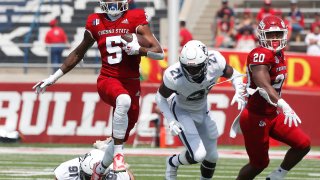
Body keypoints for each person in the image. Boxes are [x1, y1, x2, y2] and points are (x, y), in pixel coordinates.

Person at [33, 0, 164, 179]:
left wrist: (138, 49)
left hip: (132, 83)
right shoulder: (95, 21)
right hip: (108, 79)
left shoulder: (135, 17)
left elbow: (159, 52)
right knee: (123, 101)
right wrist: (52, 78)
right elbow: (78, 52)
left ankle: (98, 171)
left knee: (120, 136)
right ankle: (119, 157)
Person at [155, 40, 246, 180]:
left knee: (212, 156)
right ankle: (172, 162)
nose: (192, 71)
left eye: (196, 68)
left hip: (202, 109)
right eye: (188, 68)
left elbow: (234, 74)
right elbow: (160, 97)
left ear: (206, 61)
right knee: (198, 155)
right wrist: (171, 120)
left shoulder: (215, 61)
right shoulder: (173, 75)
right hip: (181, 110)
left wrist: (239, 90)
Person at [235, 15, 311, 180]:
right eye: (270, 35)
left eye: (277, 34)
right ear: (262, 35)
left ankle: (277, 175)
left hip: (272, 114)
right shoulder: (260, 54)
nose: (275, 38)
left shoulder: (280, 53)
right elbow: (263, 83)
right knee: (259, 164)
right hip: (256, 117)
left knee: (303, 144)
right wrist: (282, 103)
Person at [54, 139, 135, 180]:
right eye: (88, 177)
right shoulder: (68, 170)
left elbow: (130, 178)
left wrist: (123, 167)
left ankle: (109, 153)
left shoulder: (113, 176)